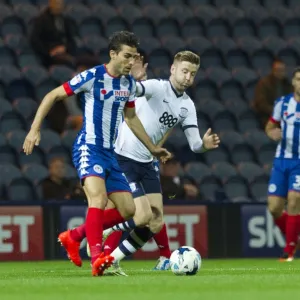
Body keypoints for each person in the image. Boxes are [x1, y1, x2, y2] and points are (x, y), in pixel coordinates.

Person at [22, 31, 171, 276]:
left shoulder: (129, 84)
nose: (130, 62)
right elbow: (53, 95)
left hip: (111, 155)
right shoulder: (93, 76)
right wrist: (34, 129)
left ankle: (75, 235)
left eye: (133, 57)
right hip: (89, 148)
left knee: (129, 211)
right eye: (126, 56)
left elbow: (131, 118)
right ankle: (97, 258)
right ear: (113, 54)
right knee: (98, 200)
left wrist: (152, 148)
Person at [82, 50, 220, 275]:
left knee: (155, 222)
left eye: (192, 74)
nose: (188, 77)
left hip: (147, 162)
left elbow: (195, 145)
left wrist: (204, 144)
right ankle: (101, 232)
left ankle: (113, 259)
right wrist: (134, 79)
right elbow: (132, 91)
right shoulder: (157, 87)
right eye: (184, 71)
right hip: (124, 157)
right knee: (140, 215)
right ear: (173, 69)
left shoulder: (187, 106)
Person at [265, 67, 300, 262]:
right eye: (298, 79)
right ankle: (294, 236)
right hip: (281, 161)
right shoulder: (283, 103)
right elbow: (270, 126)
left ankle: (289, 251)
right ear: (293, 82)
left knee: (295, 200)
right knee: (274, 208)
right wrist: (272, 133)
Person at [30, 0, 98, 69]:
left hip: (67, 51)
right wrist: (49, 52)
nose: (59, 6)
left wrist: (65, 48)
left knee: (94, 61)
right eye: (57, 4)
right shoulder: (42, 20)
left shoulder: (65, 20)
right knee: (70, 61)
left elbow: (72, 40)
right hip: (51, 54)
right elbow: (35, 40)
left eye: (60, 4)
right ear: (50, 4)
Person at [253, 59, 293, 129]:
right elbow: (261, 104)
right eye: (277, 70)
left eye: (282, 70)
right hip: (268, 117)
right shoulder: (264, 84)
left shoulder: (288, 85)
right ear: (273, 70)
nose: (280, 72)